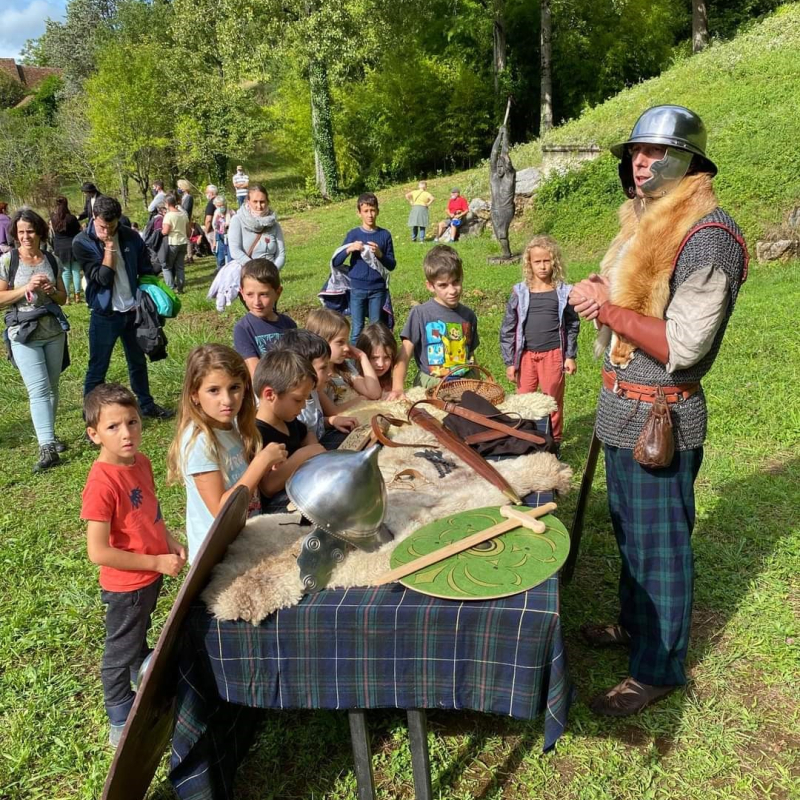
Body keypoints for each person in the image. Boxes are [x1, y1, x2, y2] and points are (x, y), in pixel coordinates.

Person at [568, 105, 748, 716]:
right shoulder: (644, 222)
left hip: (661, 416)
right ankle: (633, 625)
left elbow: (682, 344)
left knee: (661, 549)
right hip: (624, 406)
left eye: (654, 153)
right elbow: (615, 285)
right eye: (634, 153)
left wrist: (607, 311)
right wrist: (596, 287)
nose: (639, 163)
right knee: (630, 534)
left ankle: (659, 667)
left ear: (690, 163)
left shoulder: (709, 237)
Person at [80, 383, 187, 747]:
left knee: (136, 638)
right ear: (94, 435)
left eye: (132, 422)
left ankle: (145, 681)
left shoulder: (139, 462)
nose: (126, 433)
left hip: (150, 574)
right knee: (119, 649)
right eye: (113, 427)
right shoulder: (102, 484)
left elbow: (147, 512)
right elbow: (99, 551)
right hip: (127, 586)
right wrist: (155, 560)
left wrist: (168, 539)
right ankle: (119, 711)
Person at [167, 344, 287, 561]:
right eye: (214, 390)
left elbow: (239, 476)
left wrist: (264, 466)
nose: (227, 400)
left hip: (244, 538)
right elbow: (220, 511)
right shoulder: (200, 442)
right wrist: (260, 463)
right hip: (218, 557)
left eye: (234, 388)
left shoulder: (230, 424)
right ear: (195, 394)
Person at [73, 195, 174, 419]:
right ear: (94, 218)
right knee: (98, 367)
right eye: (101, 226)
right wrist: (109, 247)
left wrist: (147, 295)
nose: (106, 231)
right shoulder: (82, 242)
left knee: (137, 362)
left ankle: (146, 405)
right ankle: (92, 419)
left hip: (133, 311)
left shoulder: (130, 236)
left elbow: (147, 268)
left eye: (111, 226)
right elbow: (102, 278)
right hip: (105, 314)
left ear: (118, 220)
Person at [0, 208, 69, 471]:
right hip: (23, 333)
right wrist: (25, 289)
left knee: (52, 386)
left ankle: (49, 436)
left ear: (39, 232)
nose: (26, 236)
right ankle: (47, 447)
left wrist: (51, 290)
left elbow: (64, 297)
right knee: (38, 390)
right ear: (15, 235)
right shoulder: (8, 261)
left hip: (53, 331)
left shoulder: (51, 261)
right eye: (21, 232)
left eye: (30, 231)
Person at [500, 235, 579, 443]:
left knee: (551, 401)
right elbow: (508, 328)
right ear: (529, 263)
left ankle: (554, 442)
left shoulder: (563, 292)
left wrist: (569, 356)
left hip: (553, 356)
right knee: (523, 400)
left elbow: (572, 324)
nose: (543, 266)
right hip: (525, 356)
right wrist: (510, 362)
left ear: (554, 261)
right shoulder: (520, 292)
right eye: (537, 262)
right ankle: (526, 440)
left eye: (547, 261)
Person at [390, 244, 479, 396]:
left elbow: (470, 355)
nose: (452, 290)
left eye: (456, 282)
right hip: (432, 385)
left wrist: (479, 383)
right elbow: (404, 355)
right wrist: (397, 388)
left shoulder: (468, 315)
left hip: (465, 383)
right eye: (443, 285)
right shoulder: (420, 313)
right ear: (430, 286)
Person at [253, 349, 325, 513]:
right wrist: (303, 455)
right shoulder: (257, 433)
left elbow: (308, 434)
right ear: (270, 394)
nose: (303, 406)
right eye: (298, 400)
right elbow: (268, 487)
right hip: (278, 508)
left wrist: (312, 450)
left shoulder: (287, 419)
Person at [273, 329, 359, 450]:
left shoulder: (314, 391)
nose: (330, 373)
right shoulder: (292, 405)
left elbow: (313, 423)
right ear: (302, 369)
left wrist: (331, 421)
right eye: (323, 368)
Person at [331, 192, 396, 343]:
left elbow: (392, 265)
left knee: (375, 329)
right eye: (366, 211)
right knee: (357, 330)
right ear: (359, 213)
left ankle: (374, 361)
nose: (370, 215)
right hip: (358, 289)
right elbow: (336, 262)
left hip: (377, 289)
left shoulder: (384, 235)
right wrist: (349, 249)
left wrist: (380, 254)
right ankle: (355, 365)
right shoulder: (353, 234)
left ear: (378, 211)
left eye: (372, 210)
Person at [233, 258, 297, 377]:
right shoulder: (243, 329)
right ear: (242, 293)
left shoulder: (289, 324)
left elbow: (298, 360)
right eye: (250, 294)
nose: (257, 302)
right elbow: (254, 371)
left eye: (264, 294)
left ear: (278, 293)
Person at [305, 308, 382, 407]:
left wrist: (362, 356)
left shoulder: (344, 367)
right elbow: (333, 413)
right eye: (340, 342)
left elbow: (374, 393)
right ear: (321, 341)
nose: (347, 348)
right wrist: (361, 399)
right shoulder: (318, 377)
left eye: (347, 342)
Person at [227, 184, 285, 268]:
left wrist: (272, 271)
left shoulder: (274, 224)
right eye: (255, 201)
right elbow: (235, 251)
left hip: (270, 276)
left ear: (267, 202)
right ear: (248, 201)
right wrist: (256, 269)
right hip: (247, 274)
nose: (259, 206)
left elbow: (281, 254)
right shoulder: (237, 220)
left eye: (262, 202)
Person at [49, 196, 83, 304]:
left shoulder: (53, 218)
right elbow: (80, 231)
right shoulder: (72, 218)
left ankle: (67, 297)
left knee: (65, 273)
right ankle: (77, 295)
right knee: (76, 271)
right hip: (74, 246)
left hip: (60, 247)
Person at [356, 322, 398, 398]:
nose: (381, 364)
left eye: (386, 357)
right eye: (374, 358)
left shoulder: (394, 385)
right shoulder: (356, 383)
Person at [161, 194, 191, 293]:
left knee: (167, 266)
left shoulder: (168, 215)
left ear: (167, 203)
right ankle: (180, 288)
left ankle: (171, 288)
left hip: (172, 242)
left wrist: (159, 232)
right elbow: (188, 231)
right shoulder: (183, 214)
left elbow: (165, 231)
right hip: (183, 242)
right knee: (180, 267)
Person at [211, 195, 232, 272]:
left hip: (229, 236)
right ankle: (220, 270)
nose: (220, 207)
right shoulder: (216, 212)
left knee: (229, 257)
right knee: (220, 257)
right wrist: (214, 241)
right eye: (218, 206)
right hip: (219, 236)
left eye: (221, 205)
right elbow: (215, 228)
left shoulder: (231, 212)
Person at [177, 180, 195, 264]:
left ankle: (190, 256)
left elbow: (186, 210)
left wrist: (179, 207)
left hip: (186, 219)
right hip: (182, 218)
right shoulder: (183, 197)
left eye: (180, 187)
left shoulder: (189, 197)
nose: (179, 189)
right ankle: (188, 255)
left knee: (187, 238)